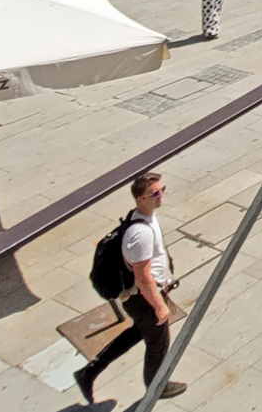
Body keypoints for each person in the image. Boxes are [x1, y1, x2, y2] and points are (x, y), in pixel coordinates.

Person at [74, 172, 187, 404]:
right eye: (154, 193)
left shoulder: (144, 218)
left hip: (144, 295)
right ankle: (157, 387)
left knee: (139, 331)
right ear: (140, 199)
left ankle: (89, 372)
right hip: (143, 297)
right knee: (159, 343)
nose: (160, 196)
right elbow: (143, 278)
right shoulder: (139, 233)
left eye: (162, 190)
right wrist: (159, 306)